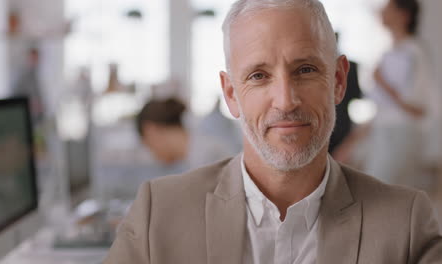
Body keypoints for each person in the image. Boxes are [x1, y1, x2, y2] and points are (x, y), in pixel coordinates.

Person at [105, 0, 442, 263]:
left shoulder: (407, 223)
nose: (285, 101)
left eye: (305, 69)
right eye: (258, 76)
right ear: (231, 94)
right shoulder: (158, 214)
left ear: (338, 81)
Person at [364, 0, 438, 190]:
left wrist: (383, 84)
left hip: (401, 136)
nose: (381, 12)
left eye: (388, 8)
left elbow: (422, 109)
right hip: (384, 135)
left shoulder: (414, 53)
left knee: (381, 197)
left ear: (404, 15)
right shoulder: (388, 53)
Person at [135, 97, 232, 173]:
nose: (154, 156)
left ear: (152, 131)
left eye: (149, 146)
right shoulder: (195, 154)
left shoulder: (209, 155)